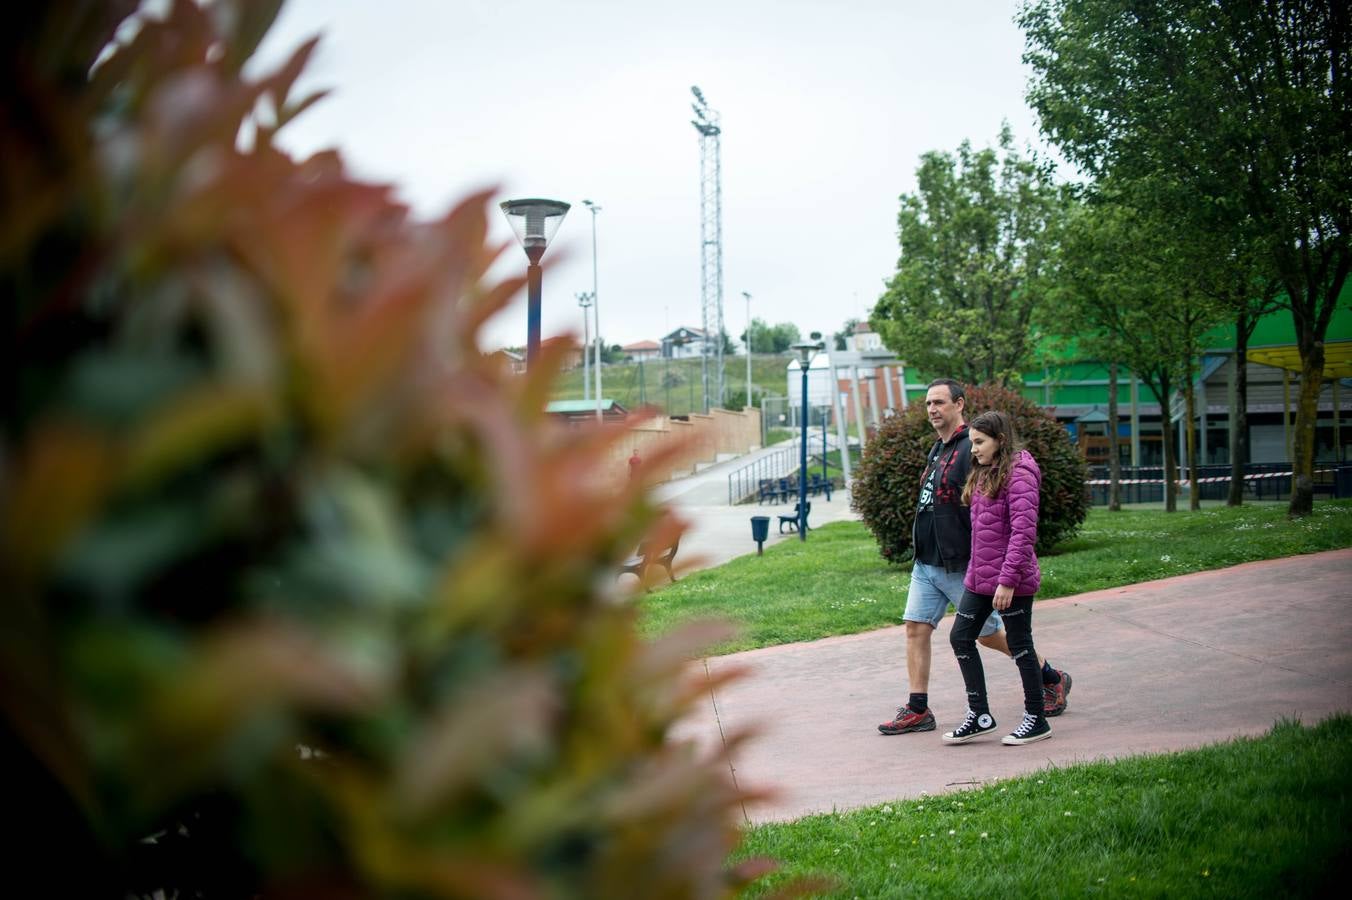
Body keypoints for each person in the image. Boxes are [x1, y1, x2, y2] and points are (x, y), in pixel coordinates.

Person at [878, 379, 1070, 737]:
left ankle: (1050, 677)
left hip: (963, 560)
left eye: (939, 402)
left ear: (959, 404)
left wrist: (996, 567)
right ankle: (919, 708)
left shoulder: (973, 446)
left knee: (989, 635)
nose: (932, 409)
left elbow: (996, 512)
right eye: (927, 404)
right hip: (928, 560)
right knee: (917, 628)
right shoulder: (938, 448)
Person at [943, 410, 1052, 746]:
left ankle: (1036, 718)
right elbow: (984, 534)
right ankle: (980, 715)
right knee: (961, 638)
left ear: (1000, 440)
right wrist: (975, 576)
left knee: (1020, 646)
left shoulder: (1019, 474)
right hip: (980, 577)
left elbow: (1022, 533)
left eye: (979, 442)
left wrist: (1006, 581)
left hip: (1012, 578)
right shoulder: (985, 472)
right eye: (972, 442)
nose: (972, 449)